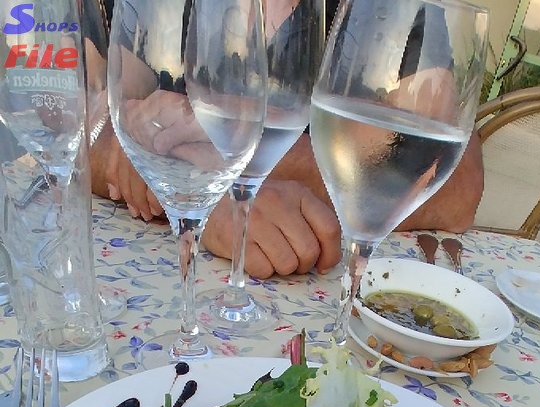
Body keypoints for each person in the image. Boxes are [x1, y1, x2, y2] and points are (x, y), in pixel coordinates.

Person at [89, 0, 484, 279]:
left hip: (316, 290)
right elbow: (85, 123)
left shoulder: (394, 11)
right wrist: (203, 200)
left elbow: (456, 190)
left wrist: (231, 154)